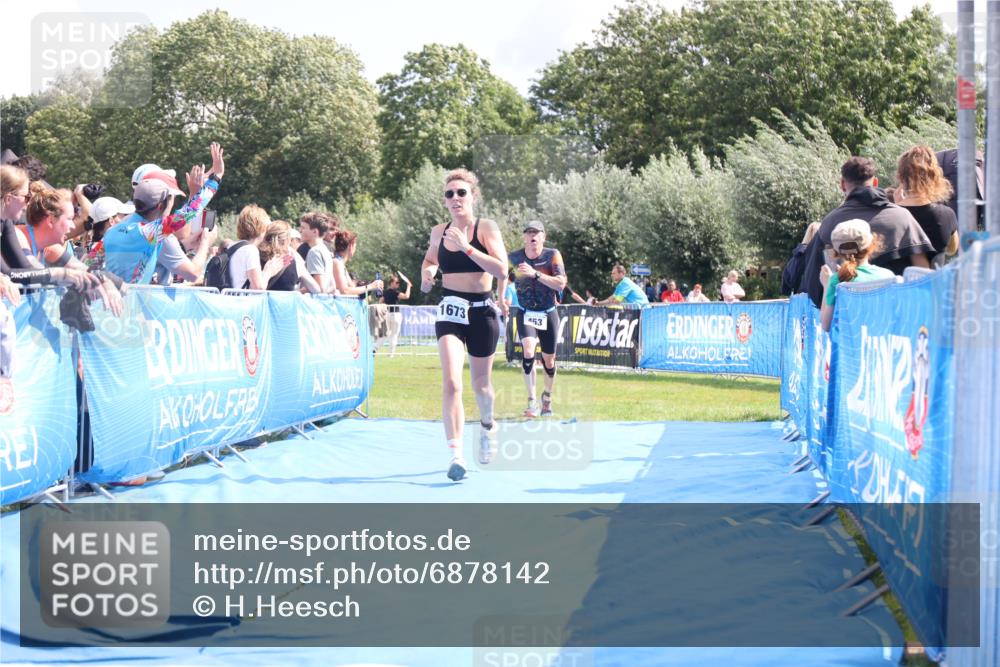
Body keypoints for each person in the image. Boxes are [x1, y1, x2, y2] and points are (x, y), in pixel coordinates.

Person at [420, 168, 508, 481]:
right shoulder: (438, 231)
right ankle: (456, 454)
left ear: (473, 197)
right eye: (450, 194)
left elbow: (502, 270)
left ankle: (488, 425)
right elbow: (430, 260)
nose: (455, 198)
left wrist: (467, 247)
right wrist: (427, 273)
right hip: (450, 311)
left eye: (461, 193)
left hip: (482, 312)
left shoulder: (485, 228)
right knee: (452, 382)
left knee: (482, 386)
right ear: (445, 200)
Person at [797, 156, 933, 308]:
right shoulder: (902, 217)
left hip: (848, 316)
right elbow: (923, 274)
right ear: (875, 182)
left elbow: (814, 283)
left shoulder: (830, 223)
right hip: (897, 313)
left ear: (842, 184)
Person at [103, 144, 223, 285]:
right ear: (161, 205)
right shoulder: (152, 232)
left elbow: (89, 263)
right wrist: (205, 243)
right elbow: (190, 211)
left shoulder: (111, 231)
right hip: (133, 299)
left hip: (109, 298)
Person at [508, 220, 567, 418]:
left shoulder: (552, 255)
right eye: (529, 232)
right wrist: (500, 298)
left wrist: (535, 274)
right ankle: (531, 401)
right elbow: (501, 275)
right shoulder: (514, 257)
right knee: (528, 351)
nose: (532, 236)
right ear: (524, 236)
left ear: (544, 236)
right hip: (525, 312)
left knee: (549, 360)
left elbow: (561, 284)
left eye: (536, 232)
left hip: (548, 312)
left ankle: (547, 397)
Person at [819, 219, 895, 331]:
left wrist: (826, 285)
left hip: (849, 340)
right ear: (872, 245)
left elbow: (826, 325)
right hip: (881, 339)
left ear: (836, 252)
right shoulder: (888, 276)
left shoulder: (837, 280)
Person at [894, 145, 959, 266]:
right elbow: (952, 250)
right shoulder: (947, 214)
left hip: (899, 278)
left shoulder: (891, 215)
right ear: (934, 176)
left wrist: (896, 206)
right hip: (935, 277)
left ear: (900, 177)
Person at [227, 205, 291, 290]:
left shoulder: (233, 246)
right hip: (241, 298)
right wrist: (268, 272)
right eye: (267, 226)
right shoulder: (251, 250)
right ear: (261, 227)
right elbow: (258, 288)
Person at [259, 220, 324, 293]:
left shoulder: (257, 257)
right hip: (285, 300)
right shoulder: (293, 262)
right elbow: (316, 289)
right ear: (287, 240)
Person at [331, 229, 383, 297]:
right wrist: (371, 286)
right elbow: (344, 291)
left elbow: (352, 288)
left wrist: (367, 285)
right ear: (351, 246)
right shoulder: (337, 263)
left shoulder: (341, 264)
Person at [300, 211, 337, 292]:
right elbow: (333, 287)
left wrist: (297, 292)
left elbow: (319, 288)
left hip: (315, 300)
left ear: (315, 232)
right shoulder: (325, 251)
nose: (300, 230)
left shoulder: (314, 252)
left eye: (303, 228)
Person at [781, 222, 821, 295]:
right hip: (819, 296)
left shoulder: (797, 257)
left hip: (801, 296)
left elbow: (787, 279)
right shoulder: (825, 255)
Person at [379, 273, 411, 356]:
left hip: (387, 315)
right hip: (395, 315)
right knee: (394, 335)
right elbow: (406, 296)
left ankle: (375, 348)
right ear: (391, 283)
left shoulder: (385, 292)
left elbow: (380, 302)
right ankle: (391, 353)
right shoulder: (395, 292)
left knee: (386, 334)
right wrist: (409, 286)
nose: (398, 284)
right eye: (396, 282)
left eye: (398, 283)